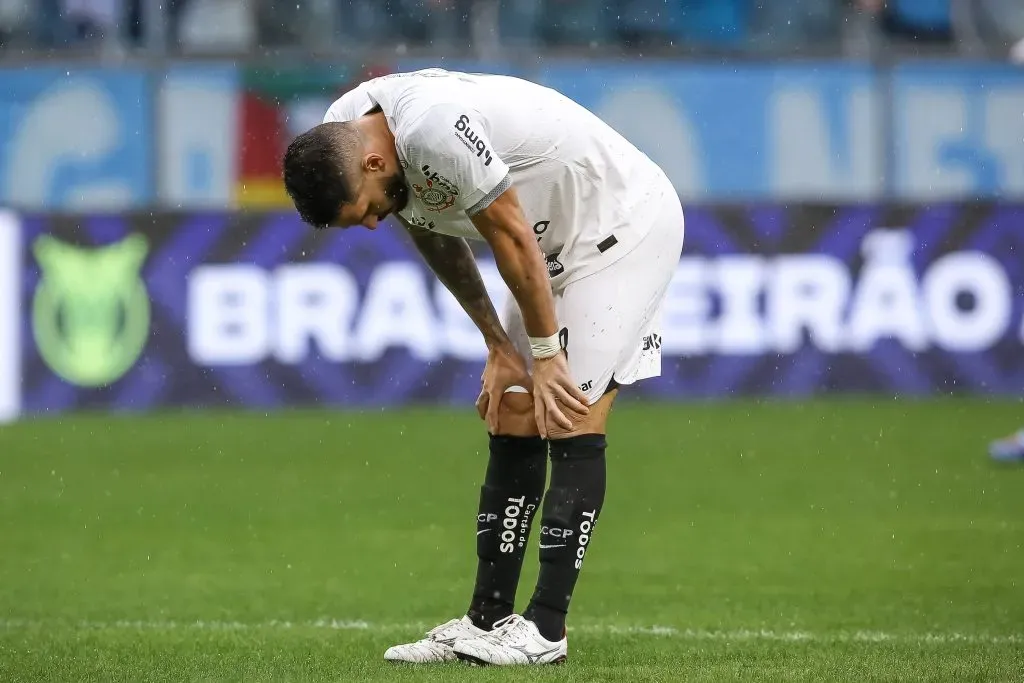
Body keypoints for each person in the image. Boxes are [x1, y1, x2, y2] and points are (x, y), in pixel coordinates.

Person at [281, 68, 684, 667]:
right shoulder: (353, 130)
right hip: (548, 246)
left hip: (619, 228)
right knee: (515, 406)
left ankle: (546, 629)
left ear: (371, 166)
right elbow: (433, 232)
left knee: (570, 413)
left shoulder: (433, 129)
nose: (372, 224)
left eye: (365, 212)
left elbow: (510, 234)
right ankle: (487, 619)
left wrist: (546, 355)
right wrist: (500, 347)